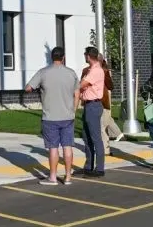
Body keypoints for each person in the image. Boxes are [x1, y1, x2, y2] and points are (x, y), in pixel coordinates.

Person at [25, 46, 79, 185]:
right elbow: (77, 93)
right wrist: (74, 109)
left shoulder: (43, 73)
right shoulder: (71, 73)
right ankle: (68, 177)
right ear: (63, 57)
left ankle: (53, 177)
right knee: (68, 146)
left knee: (53, 148)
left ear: (51, 57)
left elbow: (28, 88)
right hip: (67, 115)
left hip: (50, 116)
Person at [78, 47, 107, 177]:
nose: (84, 57)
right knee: (86, 136)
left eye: (85, 55)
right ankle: (88, 165)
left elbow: (81, 84)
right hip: (88, 105)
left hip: (93, 105)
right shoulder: (91, 70)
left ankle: (99, 168)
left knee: (95, 137)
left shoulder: (96, 70)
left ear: (88, 56)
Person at [99, 59, 123, 155]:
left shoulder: (102, 71)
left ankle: (105, 149)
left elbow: (108, 85)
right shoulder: (105, 70)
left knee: (102, 124)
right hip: (105, 97)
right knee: (106, 119)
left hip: (103, 97)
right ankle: (117, 134)